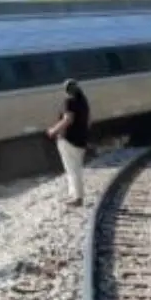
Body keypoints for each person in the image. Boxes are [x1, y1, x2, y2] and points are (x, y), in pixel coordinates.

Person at [46, 79, 90, 207]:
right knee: (74, 168)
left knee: (72, 169)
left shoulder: (69, 101)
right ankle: (74, 195)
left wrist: (53, 130)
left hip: (69, 139)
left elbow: (68, 119)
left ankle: (78, 198)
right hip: (81, 139)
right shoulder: (83, 101)